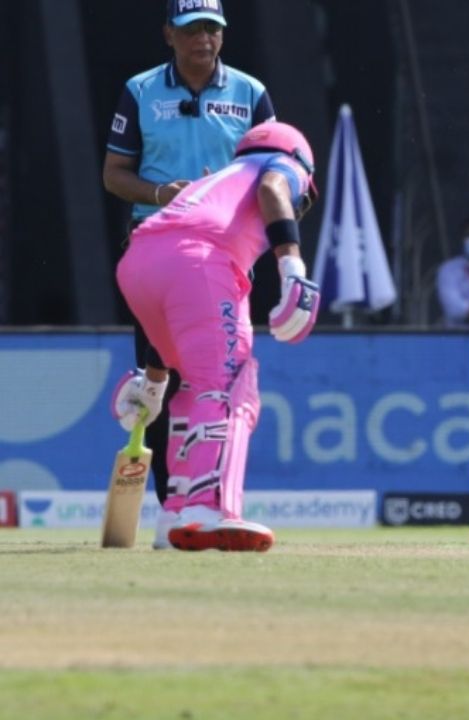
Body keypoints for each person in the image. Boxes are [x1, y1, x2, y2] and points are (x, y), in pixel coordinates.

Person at [102, 0, 275, 548]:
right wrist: (162, 194)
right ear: (168, 35)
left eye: (212, 29)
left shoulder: (250, 92)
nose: (203, 39)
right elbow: (114, 174)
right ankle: (169, 509)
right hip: (156, 249)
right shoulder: (141, 89)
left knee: (217, 379)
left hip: (225, 254)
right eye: (191, 29)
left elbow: (275, 171)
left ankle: (198, 502)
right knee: (160, 380)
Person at [111, 121, 320, 552]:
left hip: (139, 263)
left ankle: (174, 514)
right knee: (229, 385)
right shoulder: (281, 162)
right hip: (200, 261)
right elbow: (274, 191)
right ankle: (207, 509)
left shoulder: (212, 183)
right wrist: (293, 268)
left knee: (188, 384)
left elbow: (174, 297)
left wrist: (152, 382)